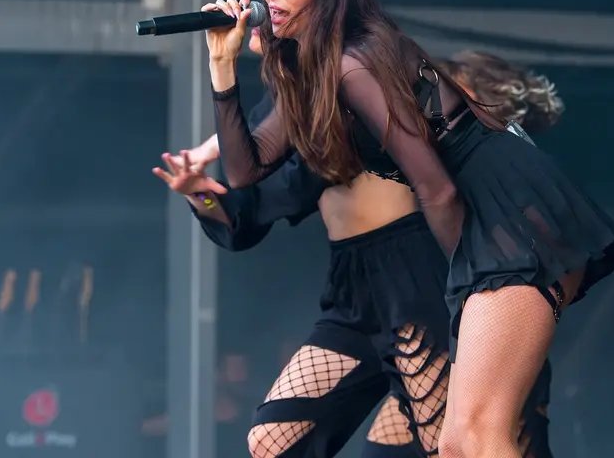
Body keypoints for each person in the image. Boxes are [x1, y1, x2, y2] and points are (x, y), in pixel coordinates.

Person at [198, 0, 614, 457]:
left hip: (506, 212)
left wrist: (460, 299)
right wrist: (222, 65)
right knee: (455, 446)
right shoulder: (319, 67)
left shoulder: (358, 63)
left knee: (475, 437)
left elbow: (438, 189)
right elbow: (246, 171)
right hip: (483, 217)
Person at [154, 27, 565, 457]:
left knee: (454, 446)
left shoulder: (359, 78)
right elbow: (243, 216)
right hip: (353, 292)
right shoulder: (286, 116)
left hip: (416, 281)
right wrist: (197, 190)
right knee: (272, 441)